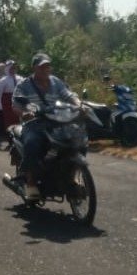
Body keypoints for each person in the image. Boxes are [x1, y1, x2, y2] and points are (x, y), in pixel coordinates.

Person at [11, 53, 81, 202]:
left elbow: (68, 95)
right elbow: (16, 105)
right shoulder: (24, 85)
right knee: (32, 143)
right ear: (34, 68)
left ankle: (71, 176)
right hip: (34, 123)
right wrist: (24, 113)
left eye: (47, 66)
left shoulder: (56, 82)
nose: (45, 69)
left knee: (76, 139)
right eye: (42, 67)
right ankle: (31, 183)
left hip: (56, 122)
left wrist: (79, 104)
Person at [0, 59, 21, 133]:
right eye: (11, 68)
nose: (13, 70)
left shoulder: (20, 78)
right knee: (9, 120)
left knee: (18, 119)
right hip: (7, 103)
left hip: (18, 101)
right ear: (7, 69)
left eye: (14, 68)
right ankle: (10, 136)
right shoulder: (3, 80)